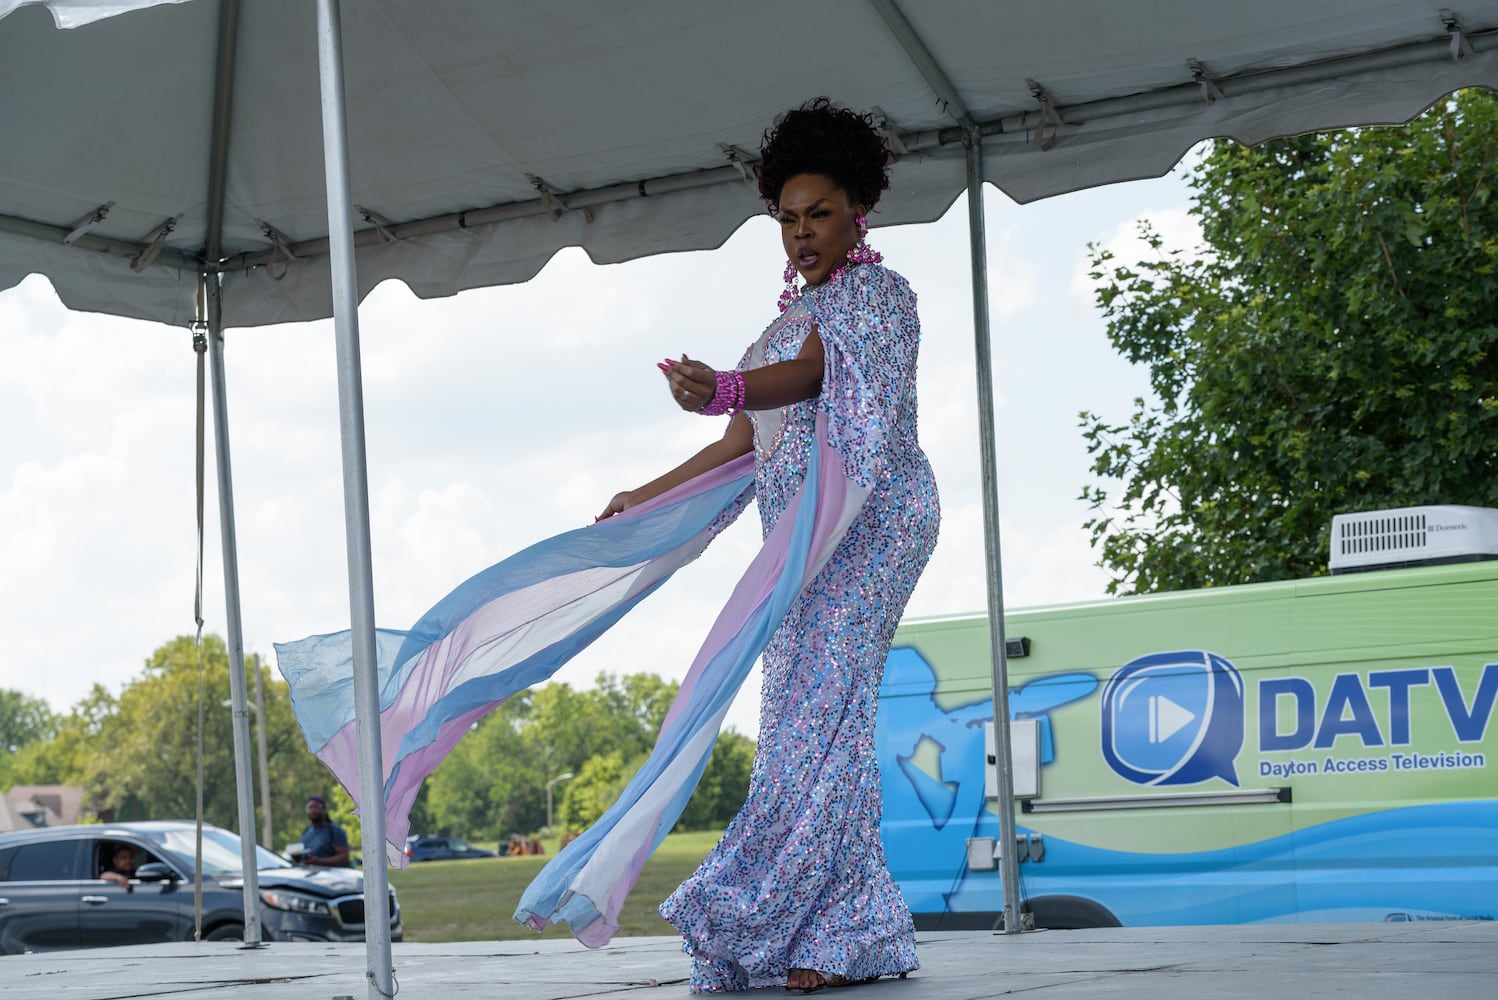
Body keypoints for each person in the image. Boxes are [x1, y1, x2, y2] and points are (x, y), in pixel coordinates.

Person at [598, 98, 938, 994]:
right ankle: (851, 927)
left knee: (819, 714)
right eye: (786, 220)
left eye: (818, 213)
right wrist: (645, 495)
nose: (800, 235)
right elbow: (741, 443)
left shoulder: (877, 298)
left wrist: (724, 385)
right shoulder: (782, 324)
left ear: (858, 210)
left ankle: (792, 914)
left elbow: (813, 376)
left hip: (872, 526)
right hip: (796, 546)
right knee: (803, 718)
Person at [298, 795, 351, 867]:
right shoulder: (305, 832)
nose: (312, 810)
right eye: (310, 808)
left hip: (333, 876)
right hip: (310, 875)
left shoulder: (334, 831)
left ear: (324, 809)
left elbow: (344, 857)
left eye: (316, 807)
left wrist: (319, 861)